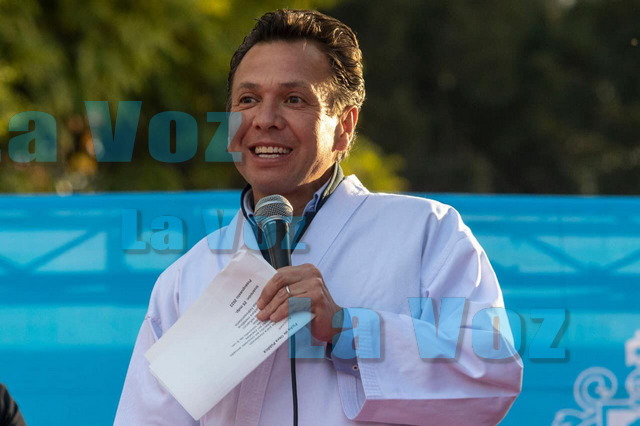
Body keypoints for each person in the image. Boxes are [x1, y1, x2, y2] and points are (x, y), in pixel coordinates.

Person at [115, 9, 523, 425]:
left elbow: (491, 378)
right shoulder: (186, 279)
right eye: (248, 100)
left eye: (294, 99)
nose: (265, 120)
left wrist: (347, 330)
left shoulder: (426, 234)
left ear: (344, 126)